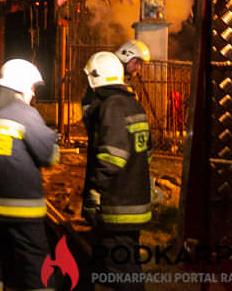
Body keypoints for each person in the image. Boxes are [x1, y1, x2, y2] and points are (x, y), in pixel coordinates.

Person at [0, 59, 60, 291]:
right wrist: (53, 143)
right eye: (32, 87)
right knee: (36, 263)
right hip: (23, 207)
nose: (33, 94)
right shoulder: (25, 114)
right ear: (20, 85)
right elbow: (48, 157)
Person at [81, 51, 152, 290]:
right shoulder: (133, 103)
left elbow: (112, 156)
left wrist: (94, 191)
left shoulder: (112, 106)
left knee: (121, 271)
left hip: (117, 204)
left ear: (95, 78)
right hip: (134, 199)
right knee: (117, 264)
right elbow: (147, 151)